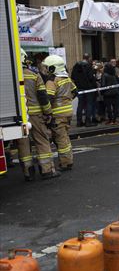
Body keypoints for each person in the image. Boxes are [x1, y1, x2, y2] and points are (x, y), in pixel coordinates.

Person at [17, 50, 60, 180]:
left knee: (23, 144)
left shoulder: (9, 75)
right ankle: (47, 170)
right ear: (25, 59)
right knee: (42, 140)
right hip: (35, 115)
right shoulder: (34, 75)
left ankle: (27, 172)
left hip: (19, 117)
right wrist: (48, 113)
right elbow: (43, 97)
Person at [42, 54, 78, 171]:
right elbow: (75, 91)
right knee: (65, 137)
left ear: (53, 68)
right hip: (68, 112)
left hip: (57, 114)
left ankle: (66, 163)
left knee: (60, 139)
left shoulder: (52, 80)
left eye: (47, 67)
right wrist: (66, 102)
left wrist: (47, 112)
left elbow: (49, 98)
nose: (46, 70)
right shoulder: (66, 78)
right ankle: (68, 160)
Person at [71, 53, 97, 127]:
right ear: (88, 58)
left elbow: (72, 76)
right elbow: (91, 78)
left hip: (79, 88)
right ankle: (88, 122)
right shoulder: (88, 66)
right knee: (89, 104)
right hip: (88, 89)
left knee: (80, 105)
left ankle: (79, 122)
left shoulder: (76, 66)